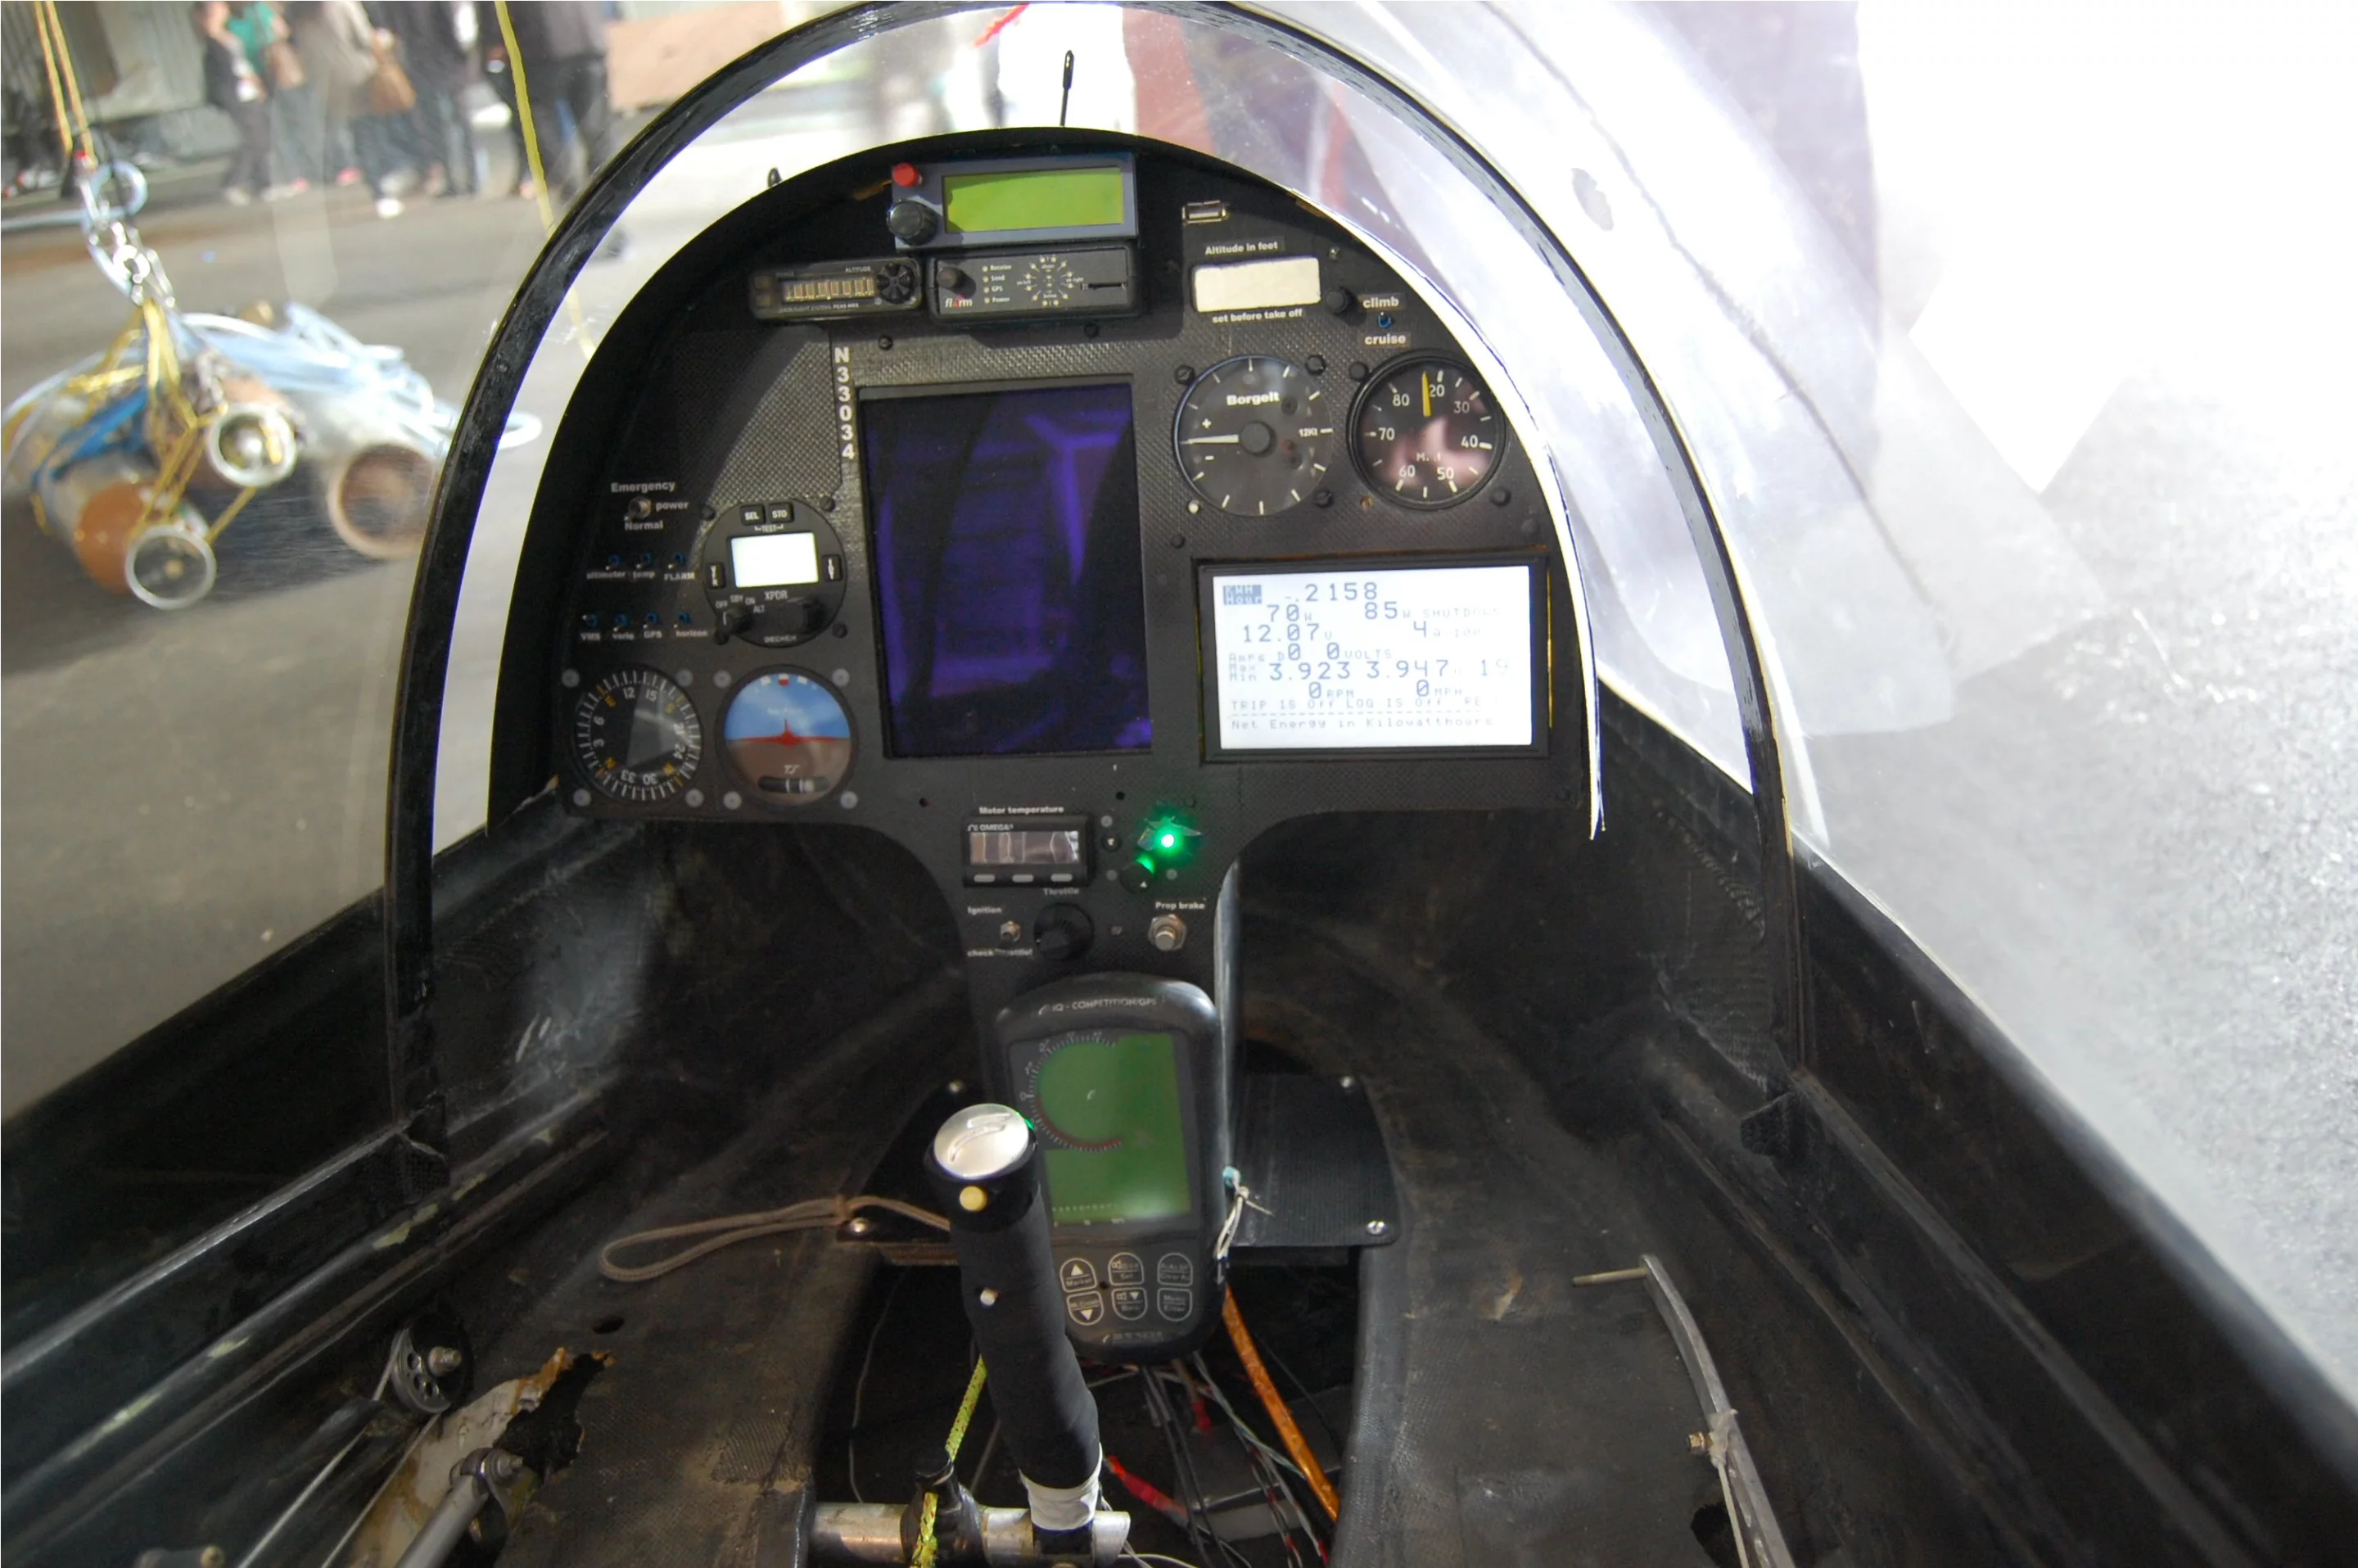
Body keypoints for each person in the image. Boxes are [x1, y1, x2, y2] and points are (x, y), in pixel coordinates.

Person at [286, 0, 403, 216]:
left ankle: (377, 187)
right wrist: (385, 39)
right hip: (358, 74)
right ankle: (384, 184)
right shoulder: (342, 4)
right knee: (374, 131)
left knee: (359, 136)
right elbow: (363, 38)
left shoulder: (298, 11)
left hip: (328, 83)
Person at [503, 0, 615, 205]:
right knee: (595, 121)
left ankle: (566, 182)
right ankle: (604, 183)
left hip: (546, 48)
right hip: (589, 41)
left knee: (542, 114)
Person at [373, 1, 476, 197]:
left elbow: (397, 31)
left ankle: (453, 180)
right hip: (447, 62)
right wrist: (461, 54)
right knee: (461, 122)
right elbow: (450, 26)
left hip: (422, 65)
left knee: (439, 126)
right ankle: (471, 179)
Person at [195, 1, 272, 206]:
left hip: (249, 93)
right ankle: (233, 182)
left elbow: (241, 64)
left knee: (261, 137)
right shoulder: (211, 42)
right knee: (253, 138)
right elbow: (223, 75)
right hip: (235, 96)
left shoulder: (227, 35)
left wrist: (255, 81)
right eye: (215, 9)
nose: (221, 11)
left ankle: (263, 184)